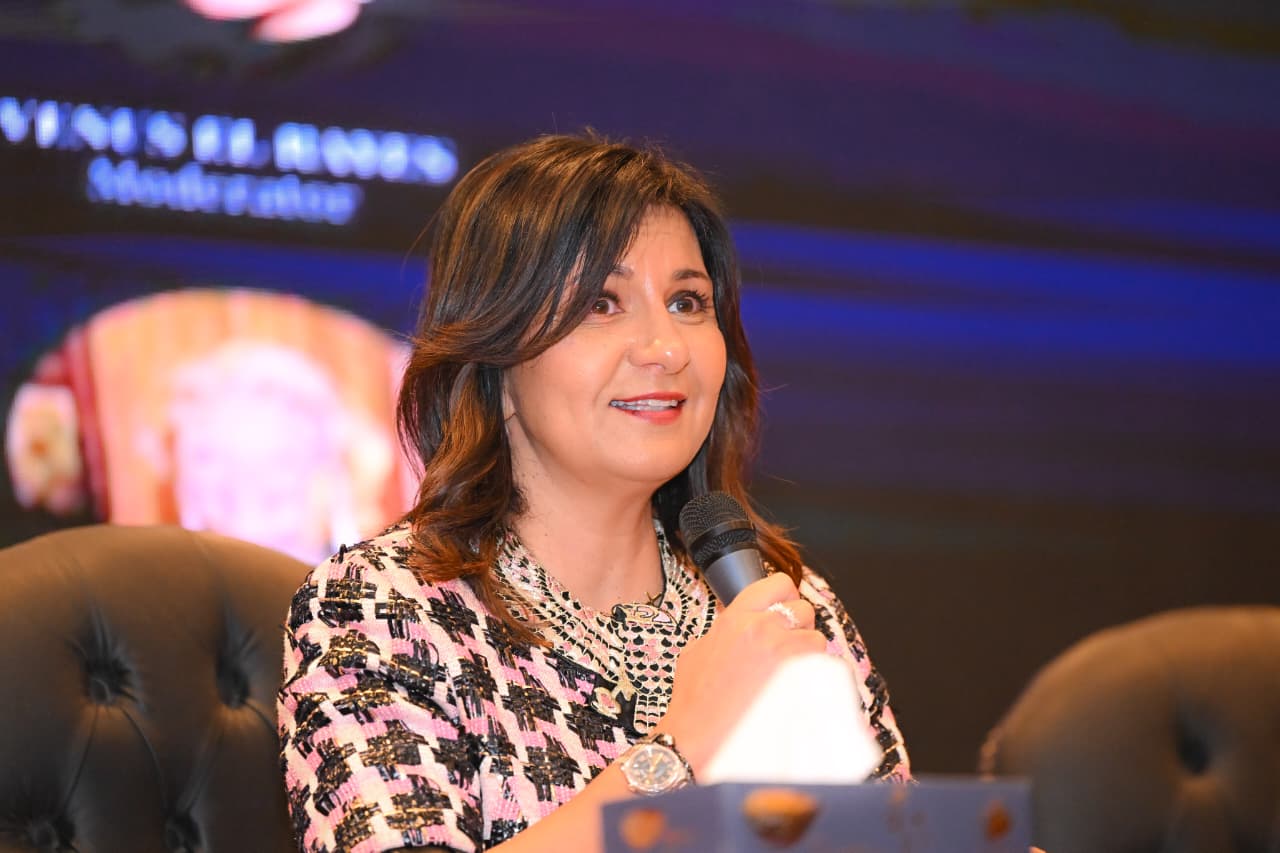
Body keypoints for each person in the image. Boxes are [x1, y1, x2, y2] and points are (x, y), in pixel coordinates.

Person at [278, 133, 910, 853]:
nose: (666, 348)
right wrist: (680, 748)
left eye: (687, 301)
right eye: (602, 304)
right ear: (495, 348)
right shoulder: (384, 608)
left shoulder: (783, 610)